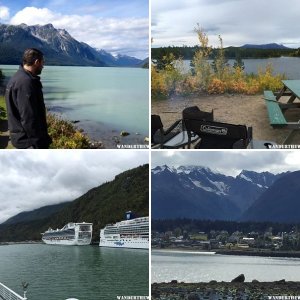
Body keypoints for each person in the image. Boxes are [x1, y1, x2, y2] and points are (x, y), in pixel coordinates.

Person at [5, 48, 52, 149]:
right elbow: (28, 117)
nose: (43, 66)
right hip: (29, 142)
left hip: (21, 138)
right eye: (42, 63)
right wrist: (39, 142)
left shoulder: (17, 78)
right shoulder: (26, 83)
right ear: (36, 62)